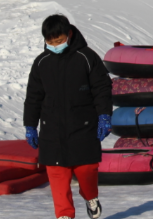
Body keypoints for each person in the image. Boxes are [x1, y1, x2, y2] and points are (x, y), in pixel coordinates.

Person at [23, 14, 112, 219]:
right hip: (52, 130)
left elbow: (102, 88)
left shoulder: (87, 57)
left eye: (59, 40)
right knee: (57, 176)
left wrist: (105, 116)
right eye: (50, 42)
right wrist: (30, 125)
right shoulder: (41, 63)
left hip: (83, 126)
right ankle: (64, 215)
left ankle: (90, 196)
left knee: (87, 169)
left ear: (69, 34)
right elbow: (33, 97)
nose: (55, 45)